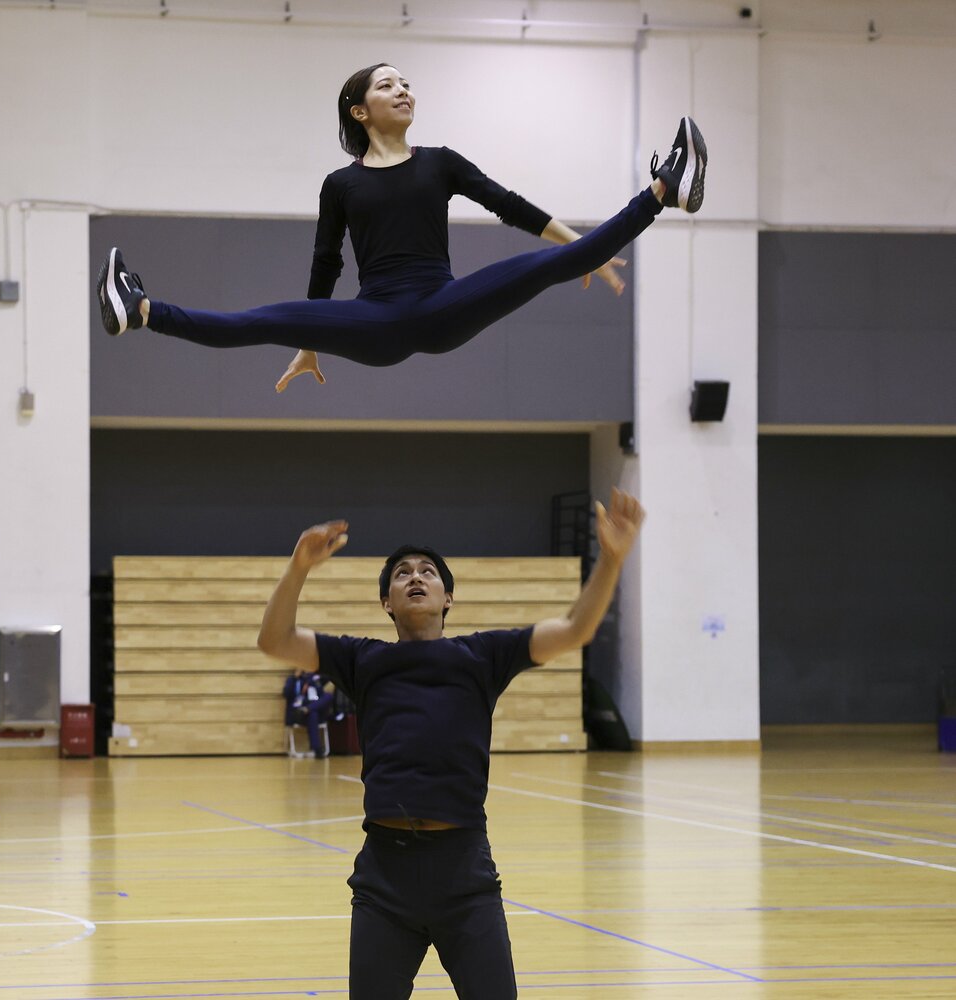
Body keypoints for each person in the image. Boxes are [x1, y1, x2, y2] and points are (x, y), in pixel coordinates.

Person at [256, 487, 645, 999]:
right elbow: (274, 640)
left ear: (448, 598)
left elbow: (576, 628)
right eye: (401, 574)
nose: (415, 576)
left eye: (427, 572)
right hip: (383, 877)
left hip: (464, 873)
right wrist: (299, 567)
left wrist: (612, 558)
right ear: (386, 604)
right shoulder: (362, 660)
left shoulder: (483, 656)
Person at [97, 63, 705, 389]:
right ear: (361, 111)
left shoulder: (440, 162)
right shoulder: (342, 183)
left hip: (443, 306)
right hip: (377, 322)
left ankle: (663, 190)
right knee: (260, 322)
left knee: (543, 268)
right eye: (388, 85)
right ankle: (139, 312)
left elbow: (510, 206)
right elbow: (325, 266)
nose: (404, 90)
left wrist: (582, 250)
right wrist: (310, 342)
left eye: (407, 83)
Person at [281, 668, 338, 758]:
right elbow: (286, 693)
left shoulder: (317, 678)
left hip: (315, 709)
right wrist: (295, 677)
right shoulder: (293, 679)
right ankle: (317, 749)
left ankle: (308, 709)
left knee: (328, 697)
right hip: (298, 713)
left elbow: (331, 676)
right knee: (313, 713)